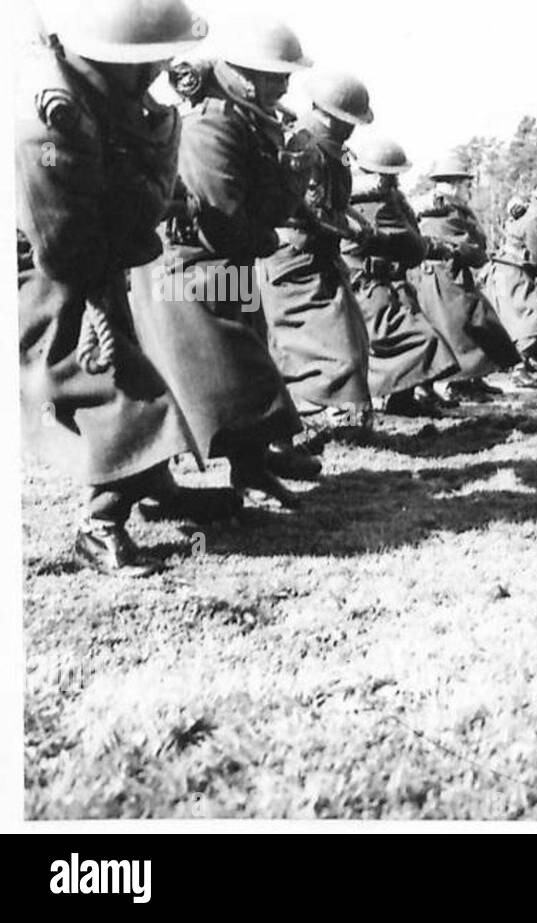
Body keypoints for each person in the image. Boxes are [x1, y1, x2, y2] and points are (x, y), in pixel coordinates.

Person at [15, 0, 239, 576]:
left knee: (137, 374)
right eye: (150, 61)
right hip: (50, 268)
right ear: (116, 58)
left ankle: (155, 486)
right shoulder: (52, 118)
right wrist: (101, 291)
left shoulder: (114, 102)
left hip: (94, 255)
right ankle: (99, 527)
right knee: (118, 393)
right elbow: (61, 239)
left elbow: (135, 202)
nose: (163, 70)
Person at [130, 17, 313, 510]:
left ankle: (252, 471)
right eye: (276, 75)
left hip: (223, 269)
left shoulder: (247, 117)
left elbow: (257, 209)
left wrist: (293, 175)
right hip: (188, 273)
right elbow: (224, 219)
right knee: (220, 379)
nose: (285, 85)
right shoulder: (213, 121)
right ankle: (151, 489)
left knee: (247, 372)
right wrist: (270, 233)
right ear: (243, 71)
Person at [258, 68, 375, 445]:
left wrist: (355, 220)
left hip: (321, 257)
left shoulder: (331, 147)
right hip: (295, 261)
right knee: (321, 347)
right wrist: (353, 230)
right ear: (327, 113)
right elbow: (311, 210)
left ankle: (330, 417)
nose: (353, 129)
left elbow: (336, 203)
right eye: (348, 121)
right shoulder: (307, 143)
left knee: (350, 340)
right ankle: (299, 424)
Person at [342, 139, 461, 415]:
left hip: (377, 282)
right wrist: (433, 248)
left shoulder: (366, 199)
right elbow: (410, 246)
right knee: (414, 338)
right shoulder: (380, 205)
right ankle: (362, 407)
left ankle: (402, 399)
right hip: (368, 286)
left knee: (410, 331)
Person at [408, 154, 522, 404]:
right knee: (459, 330)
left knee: (478, 324)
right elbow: (464, 243)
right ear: (451, 184)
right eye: (465, 184)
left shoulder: (449, 208)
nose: (468, 189)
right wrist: (477, 252)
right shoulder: (441, 211)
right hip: (441, 279)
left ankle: (472, 379)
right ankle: (456, 384)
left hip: (450, 276)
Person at [481, 180, 537, 388]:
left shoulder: (530, 215)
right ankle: (518, 369)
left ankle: (524, 361)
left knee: (525, 322)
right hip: (512, 272)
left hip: (509, 271)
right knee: (533, 324)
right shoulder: (535, 222)